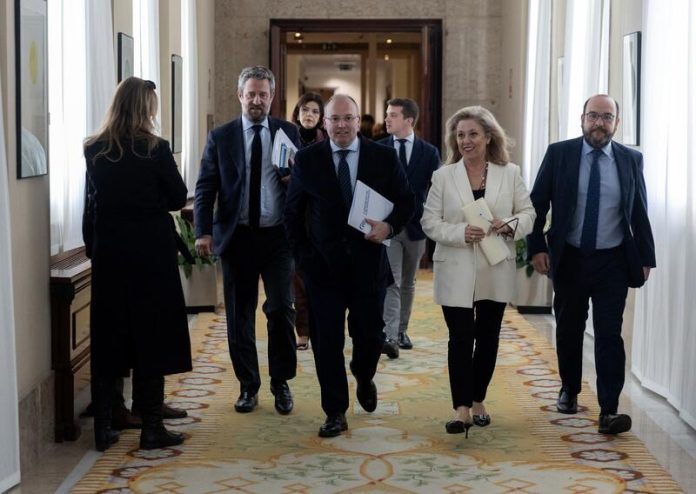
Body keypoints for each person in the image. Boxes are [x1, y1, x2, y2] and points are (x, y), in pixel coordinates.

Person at [285, 94, 415, 437]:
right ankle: (335, 411)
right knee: (326, 342)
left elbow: (406, 201)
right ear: (324, 123)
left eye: (348, 118)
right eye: (335, 119)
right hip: (322, 270)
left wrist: (389, 227)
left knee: (370, 337)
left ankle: (364, 374)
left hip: (368, 268)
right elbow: (292, 215)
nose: (341, 125)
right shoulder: (308, 159)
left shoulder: (383, 157)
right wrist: (305, 260)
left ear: (359, 121)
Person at [527, 94, 655, 435]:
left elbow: (639, 211)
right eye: (594, 116)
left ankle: (609, 409)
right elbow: (536, 205)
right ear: (582, 118)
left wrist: (646, 258)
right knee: (569, 327)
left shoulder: (630, 159)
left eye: (607, 117)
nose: (600, 123)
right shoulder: (560, 154)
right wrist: (536, 247)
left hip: (613, 260)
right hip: (570, 257)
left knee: (609, 333)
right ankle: (569, 388)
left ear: (617, 123)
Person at [82, 77, 191, 451]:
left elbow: (91, 204)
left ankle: (107, 422)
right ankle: (152, 426)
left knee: (111, 334)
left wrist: (94, 247)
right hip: (151, 254)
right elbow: (177, 197)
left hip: (110, 254)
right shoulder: (155, 149)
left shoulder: (94, 149)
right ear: (146, 108)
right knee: (152, 332)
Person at [421, 106, 535, 436]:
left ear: (488, 137)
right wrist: (460, 232)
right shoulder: (443, 176)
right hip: (455, 268)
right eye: (460, 135)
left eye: (473, 134)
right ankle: (461, 409)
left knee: (487, 339)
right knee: (460, 338)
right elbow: (429, 221)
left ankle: (478, 399)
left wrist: (508, 224)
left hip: (495, 267)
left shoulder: (509, 173)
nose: (466, 141)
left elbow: (528, 214)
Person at [194, 66, 300, 416]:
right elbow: (205, 186)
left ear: (272, 97)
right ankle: (248, 385)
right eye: (251, 94)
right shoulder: (221, 137)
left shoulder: (288, 132)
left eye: (263, 94)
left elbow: (303, 183)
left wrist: (293, 180)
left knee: (281, 308)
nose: (257, 100)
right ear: (240, 95)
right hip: (237, 237)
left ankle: (281, 382)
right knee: (239, 315)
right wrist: (203, 231)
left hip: (277, 237)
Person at [379, 98, 440, 359]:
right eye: (387, 114)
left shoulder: (429, 153)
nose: (387, 119)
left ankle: (402, 330)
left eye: (393, 115)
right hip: (389, 225)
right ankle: (391, 336)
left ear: (409, 120)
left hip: (416, 227)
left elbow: (436, 190)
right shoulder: (380, 149)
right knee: (392, 280)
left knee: (408, 282)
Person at [290, 92, 327, 350]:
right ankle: (302, 330)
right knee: (298, 280)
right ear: (298, 113)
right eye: (305, 110)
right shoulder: (287, 137)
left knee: (323, 278)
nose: (309, 115)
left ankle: (323, 327)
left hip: (320, 218)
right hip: (294, 216)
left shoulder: (328, 140)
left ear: (321, 117)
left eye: (314, 111)